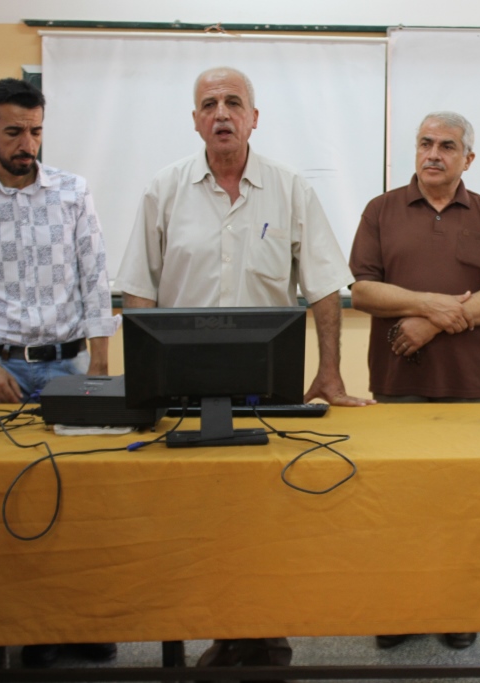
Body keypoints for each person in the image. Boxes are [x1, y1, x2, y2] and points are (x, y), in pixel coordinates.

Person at [115, 66, 370, 680]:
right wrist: (140, 382)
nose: (222, 113)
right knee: (195, 522)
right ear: (195, 120)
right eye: (209, 104)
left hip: (265, 394)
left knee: (263, 521)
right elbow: (139, 290)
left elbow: (323, 287)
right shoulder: (164, 189)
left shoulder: (289, 189)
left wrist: (330, 374)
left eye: (234, 102)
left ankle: (261, 638)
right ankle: (217, 630)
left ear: (255, 118)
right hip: (183, 392)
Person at [0, 78, 119, 666]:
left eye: (35, 132)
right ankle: (19, 628)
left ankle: (74, 626)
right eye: (13, 132)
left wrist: (100, 365)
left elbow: (96, 281)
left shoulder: (72, 192)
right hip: (1, 374)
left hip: (70, 365)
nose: (27, 144)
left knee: (78, 503)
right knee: (10, 505)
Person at [349, 111, 480, 649]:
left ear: (468, 158)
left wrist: (437, 322)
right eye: (426, 143)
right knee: (400, 502)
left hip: (470, 385)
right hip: (398, 381)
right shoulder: (381, 210)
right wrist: (428, 305)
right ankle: (402, 609)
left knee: (463, 502)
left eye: (447, 145)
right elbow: (363, 291)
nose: (434, 154)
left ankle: (457, 609)